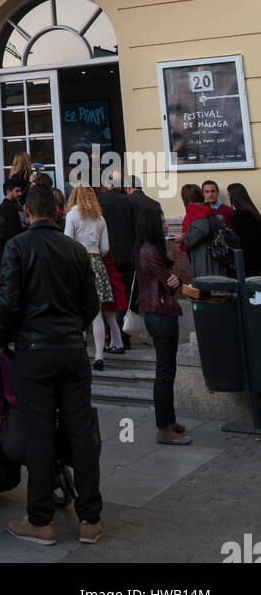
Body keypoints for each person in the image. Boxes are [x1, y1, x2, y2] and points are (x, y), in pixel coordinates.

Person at [0, 184, 103, 546]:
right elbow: (92, 305)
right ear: (59, 214)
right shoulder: (76, 250)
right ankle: (90, 518)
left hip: (34, 350)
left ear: (27, 212)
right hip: (73, 350)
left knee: (38, 433)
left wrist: (5, 334)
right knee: (81, 432)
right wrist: (74, 328)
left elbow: (8, 301)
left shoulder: (17, 247)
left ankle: (41, 519)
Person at [135, 209, 190, 446]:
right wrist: (175, 278)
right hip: (159, 311)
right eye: (162, 222)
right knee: (164, 372)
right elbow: (169, 282)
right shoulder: (150, 250)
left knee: (168, 369)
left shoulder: (151, 248)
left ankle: (170, 420)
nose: (166, 226)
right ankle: (164, 427)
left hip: (160, 311)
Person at [64, 185, 121, 369]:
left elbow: (67, 241)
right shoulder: (100, 218)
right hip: (96, 263)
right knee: (96, 313)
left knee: (76, 310)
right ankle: (99, 356)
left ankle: (77, 352)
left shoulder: (72, 216)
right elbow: (105, 248)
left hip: (77, 263)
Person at [98, 173, 136, 343]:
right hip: (127, 254)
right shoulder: (129, 201)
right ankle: (124, 333)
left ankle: (111, 334)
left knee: (107, 295)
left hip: (107, 255)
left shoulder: (99, 201)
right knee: (127, 294)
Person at [179, 184, 215, 279]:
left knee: (204, 282)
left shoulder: (195, 209)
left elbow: (202, 229)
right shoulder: (205, 207)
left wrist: (183, 238)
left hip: (202, 254)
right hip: (208, 252)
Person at [227, 183, 261, 274]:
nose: (228, 197)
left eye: (229, 195)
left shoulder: (241, 215)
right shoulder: (253, 213)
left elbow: (242, 241)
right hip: (256, 261)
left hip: (246, 262)